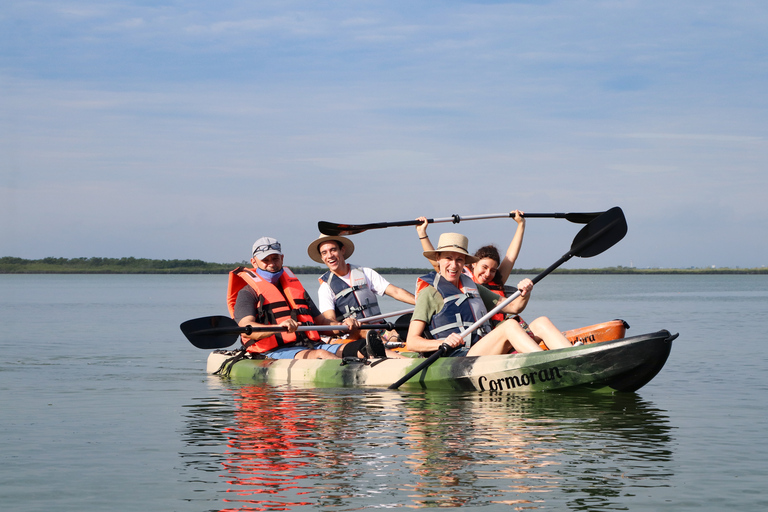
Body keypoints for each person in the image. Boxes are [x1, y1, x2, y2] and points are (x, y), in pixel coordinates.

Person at [406, 232, 574, 357]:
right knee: (509, 326)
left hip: (484, 350)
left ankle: (575, 359)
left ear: (465, 262)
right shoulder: (429, 292)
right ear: (438, 259)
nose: (454, 265)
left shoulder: (472, 287)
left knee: (541, 322)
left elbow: (514, 307)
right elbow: (412, 342)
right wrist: (442, 342)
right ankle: (547, 364)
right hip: (460, 358)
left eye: (459, 260)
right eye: (448, 258)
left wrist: (525, 292)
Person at [227, 236, 363, 360]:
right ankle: (351, 378)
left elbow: (320, 322)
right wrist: (277, 327)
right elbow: (246, 328)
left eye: (275, 258)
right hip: (274, 351)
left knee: (361, 348)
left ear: (282, 258)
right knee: (322, 355)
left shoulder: (295, 288)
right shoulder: (247, 293)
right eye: (265, 260)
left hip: (311, 345)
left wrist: (343, 326)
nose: (272, 264)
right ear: (254, 262)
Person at [307, 233, 415, 356]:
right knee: (366, 330)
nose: (329, 256)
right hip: (352, 334)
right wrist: (345, 324)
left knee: (411, 321)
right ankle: (390, 353)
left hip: (381, 329)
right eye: (324, 253)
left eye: (333, 250)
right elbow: (329, 319)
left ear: (342, 250)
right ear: (322, 257)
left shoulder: (365, 273)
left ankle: (398, 344)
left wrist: (420, 302)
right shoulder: (325, 287)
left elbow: (396, 292)